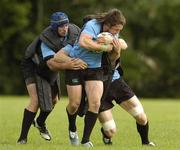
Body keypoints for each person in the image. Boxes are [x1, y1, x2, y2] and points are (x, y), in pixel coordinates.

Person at [54, 8, 126, 147]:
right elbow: (84, 42)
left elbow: (122, 45)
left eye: (119, 30)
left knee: (95, 103)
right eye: (116, 30)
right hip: (77, 66)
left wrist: (114, 46)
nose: (117, 33)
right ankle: (72, 128)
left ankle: (85, 140)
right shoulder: (92, 25)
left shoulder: (111, 33)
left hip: (94, 68)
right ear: (107, 25)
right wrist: (105, 47)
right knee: (74, 104)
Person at [17, 12, 87, 144]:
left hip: (53, 67)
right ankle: (22, 139)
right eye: (60, 26)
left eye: (66, 25)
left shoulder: (74, 31)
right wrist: (69, 64)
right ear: (54, 27)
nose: (64, 28)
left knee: (54, 100)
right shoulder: (46, 40)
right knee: (36, 101)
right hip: (33, 67)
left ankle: (39, 123)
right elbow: (51, 64)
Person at [98, 48, 156, 146]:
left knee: (141, 117)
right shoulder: (87, 37)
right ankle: (106, 135)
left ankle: (145, 143)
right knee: (110, 131)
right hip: (97, 86)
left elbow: (123, 44)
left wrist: (112, 42)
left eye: (118, 31)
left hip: (117, 83)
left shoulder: (111, 35)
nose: (116, 31)